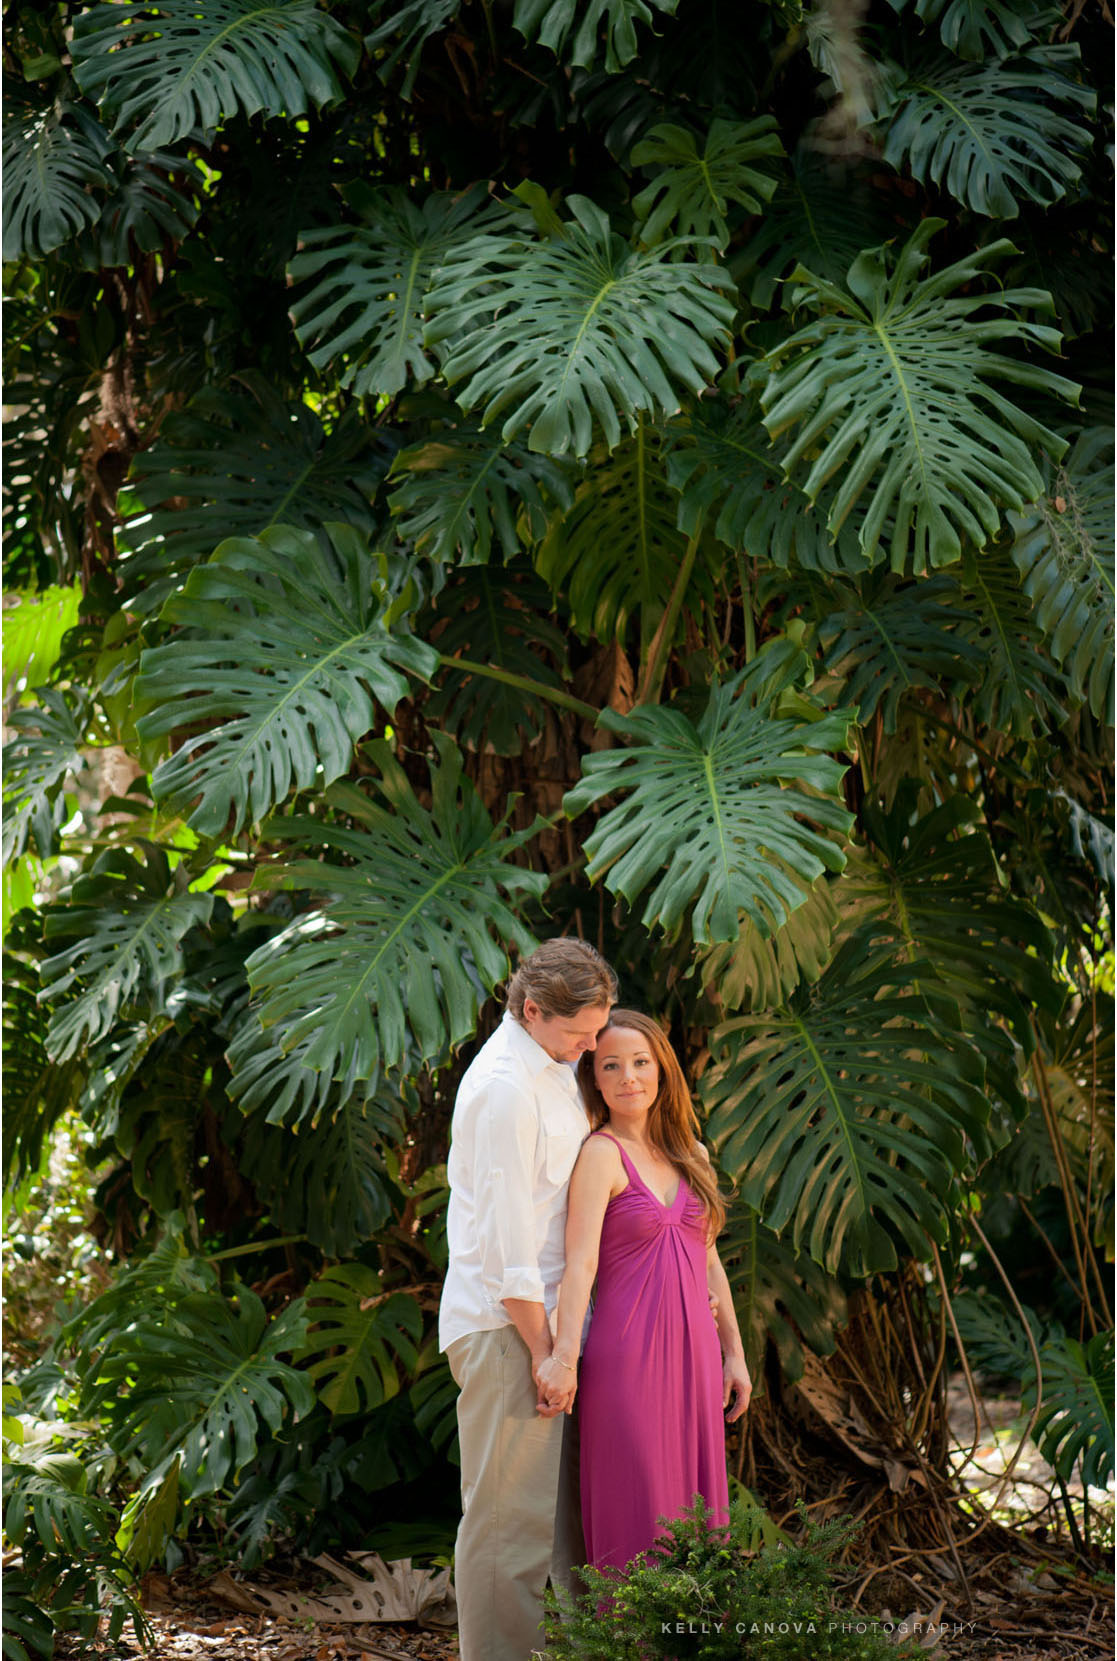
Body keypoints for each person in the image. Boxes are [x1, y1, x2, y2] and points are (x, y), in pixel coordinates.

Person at [438, 937, 618, 1661]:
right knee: (505, 1531)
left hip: (553, 1329)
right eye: (581, 1032)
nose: (594, 1045)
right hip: (510, 1330)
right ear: (533, 1009)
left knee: (565, 1527)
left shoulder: (548, 1062)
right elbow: (507, 1251)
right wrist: (547, 1355)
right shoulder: (505, 1088)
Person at [537, 1008, 752, 1573]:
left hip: (697, 1357)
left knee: (696, 1508)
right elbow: (579, 1266)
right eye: (611, 1066)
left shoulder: (693, 1155)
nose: (629, 1076)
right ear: (596, 1080)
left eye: (640, 1062)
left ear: (662, 1069)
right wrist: (565, 1357)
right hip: (627, 1358)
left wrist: (734, 1352)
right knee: (639, 1504)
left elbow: (709, 1261)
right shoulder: (601, 1155)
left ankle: (691, 1638)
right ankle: (630, 1642)